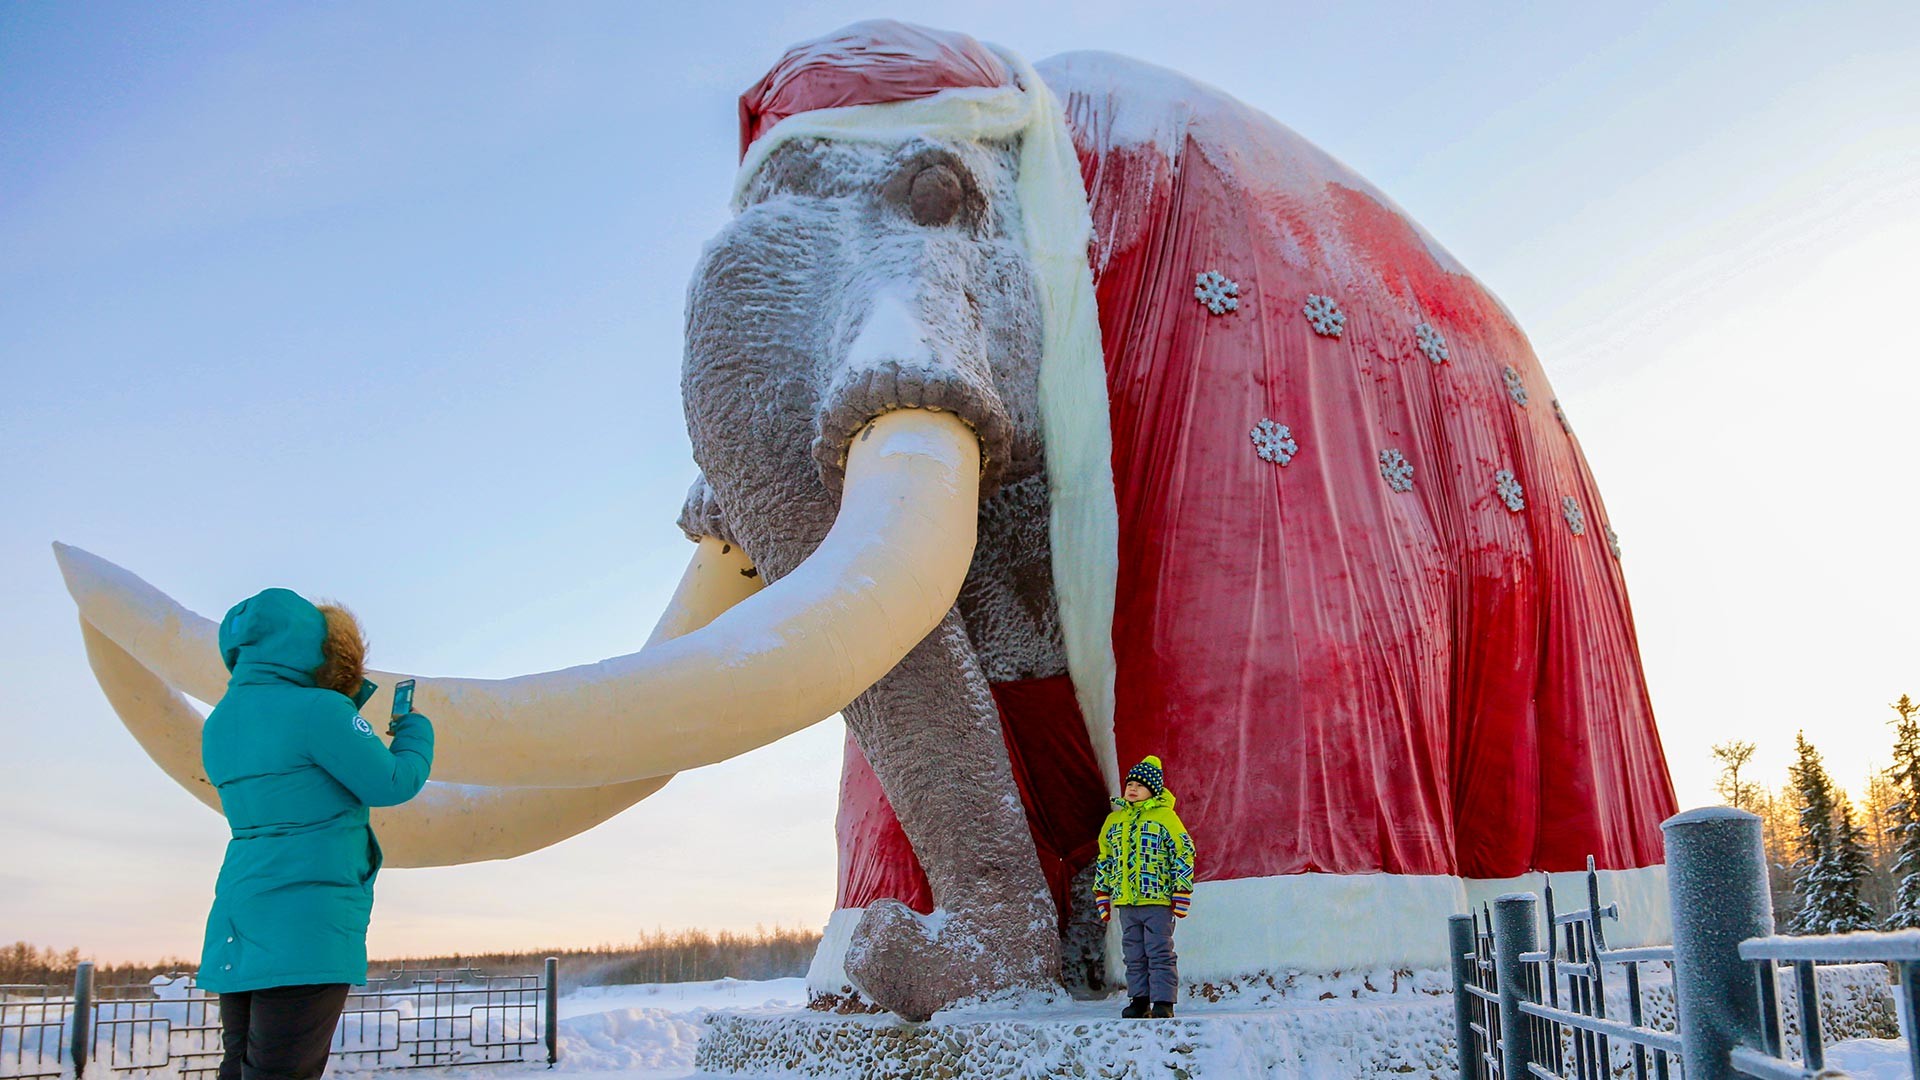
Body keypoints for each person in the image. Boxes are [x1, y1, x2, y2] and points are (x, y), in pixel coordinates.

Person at [196, 589, 434, 1080]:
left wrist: (343, 704)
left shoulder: (220, 722)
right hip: (306, 929)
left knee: (240, 1066)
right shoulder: (319, 712)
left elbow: (300, 764)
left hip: (240, 921)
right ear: (312, 643)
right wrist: (416, 732)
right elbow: (391, 781)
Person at [1093, 755, 1196, 1019]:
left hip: (1157, 900)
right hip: (1127, 902)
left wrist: (1181, 890)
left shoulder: (1165, 819)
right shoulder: (1113, 822)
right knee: (1134, 953)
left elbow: (1183, 852)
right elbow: (1105, 858)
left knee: (1159, 950)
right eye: (1130, 783)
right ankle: (1139, 1000)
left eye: (1140, 784)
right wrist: (1103, 893)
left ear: (1153, 789)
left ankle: (1163, 1001)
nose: (1132, 788)